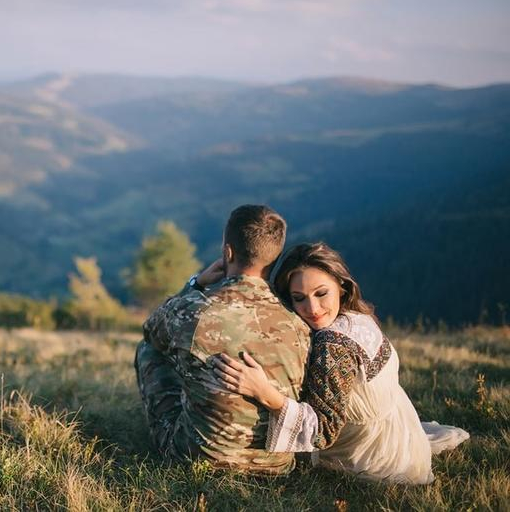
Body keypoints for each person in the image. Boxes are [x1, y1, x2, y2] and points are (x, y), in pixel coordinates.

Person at [211, 242, 469, 484]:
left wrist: (264, 393)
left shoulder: (331, 346)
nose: (312, 308)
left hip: (369, 457)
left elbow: (323, 432)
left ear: (341, 287)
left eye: (321, 293)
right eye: (298, 298)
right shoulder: (357, 317)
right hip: (401, 436)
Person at [134, 205, 312, 474]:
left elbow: (151, 330)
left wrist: (195, 285)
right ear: (274, 258)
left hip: (198, 460)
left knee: (149, 348)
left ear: (228, 252)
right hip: (277, 465)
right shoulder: (298, 321)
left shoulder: (193, 309)